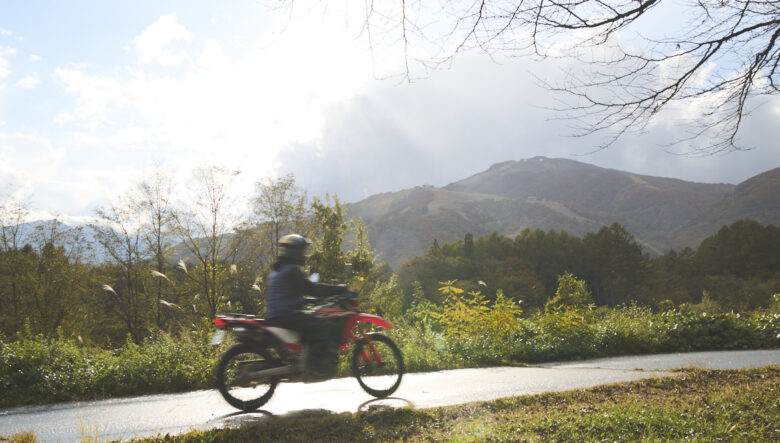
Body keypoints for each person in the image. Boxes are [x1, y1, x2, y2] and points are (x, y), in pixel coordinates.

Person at [265, 234, 346, 377]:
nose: (304, 254)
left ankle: (304, 359)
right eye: (302, 250)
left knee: (310, 324)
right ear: (295, 251)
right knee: (321, 327)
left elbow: (289, 295)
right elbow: (311, 288)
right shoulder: (291, 270)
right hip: (286, 315)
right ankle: (314, 368)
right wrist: (338, 289)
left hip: (277, 314)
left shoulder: (278, 270)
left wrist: (310, 301)